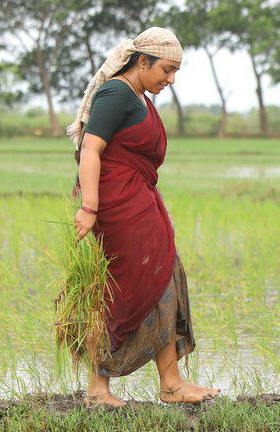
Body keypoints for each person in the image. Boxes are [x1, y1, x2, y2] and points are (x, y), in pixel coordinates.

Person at [67, 27, 219, 407]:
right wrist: (89, 207)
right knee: (123, 289)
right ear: (141, 61)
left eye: (174, 73)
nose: (170, 80)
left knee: (162, 276)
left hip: (140, 198)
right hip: (118, 203)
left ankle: (171, 384)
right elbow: (90, 148)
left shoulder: (139, 96)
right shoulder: (117, 92)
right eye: (166, 70)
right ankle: (99, 389)